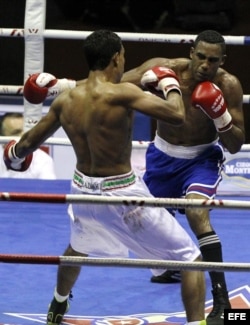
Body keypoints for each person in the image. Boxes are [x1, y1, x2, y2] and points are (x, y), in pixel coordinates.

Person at [4, 30, 207, 325]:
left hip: (82, 191)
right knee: (191, 259)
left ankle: (58, 304)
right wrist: (169, 83)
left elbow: (25, 145)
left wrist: (13, 155)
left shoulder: (66, 100)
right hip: (122, 193)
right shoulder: (122, 94)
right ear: (116, 58)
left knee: (78, 248)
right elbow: (177, 114)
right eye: (123, 55)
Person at [121, 29, 245, 324]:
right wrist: (65, 87)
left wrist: (220, 116)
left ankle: (221, 300)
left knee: (196, 211)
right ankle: (167, 269)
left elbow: (236, 144)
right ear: (191, 52)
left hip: (201, 158)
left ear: (222, 60)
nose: (205, 64)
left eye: (212, 60)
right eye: (200, 56)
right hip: (162, 157)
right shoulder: (166, 70)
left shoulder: (228, 85)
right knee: (144, 223)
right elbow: (113, 86)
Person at [0, 112, 56, 179]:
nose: (23, 136)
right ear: (3, 136)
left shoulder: (43, 159)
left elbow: (48, 188)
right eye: (16, 133)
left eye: (25, 131)